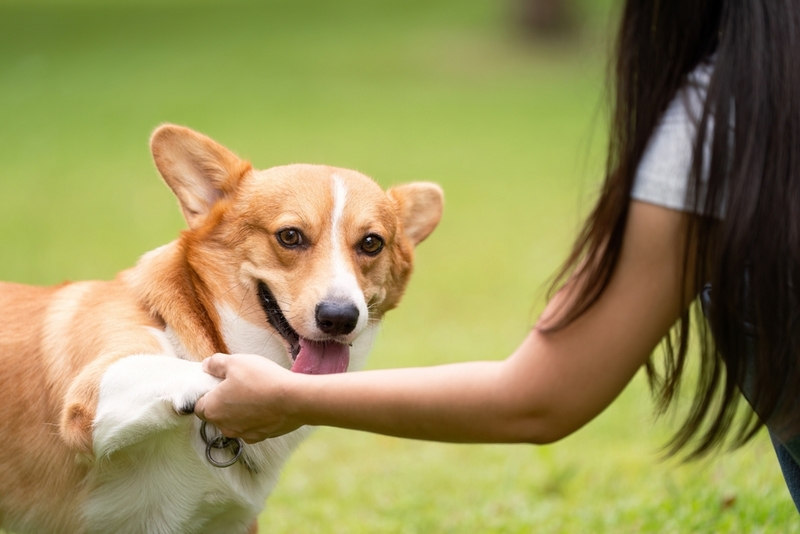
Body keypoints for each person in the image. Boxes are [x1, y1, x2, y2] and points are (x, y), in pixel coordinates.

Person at [195, 0, 800, 509]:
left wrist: (289, 397)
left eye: (370, 245)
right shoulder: (738, 112)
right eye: (292, 239)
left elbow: (541, 395)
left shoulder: (714, 123)